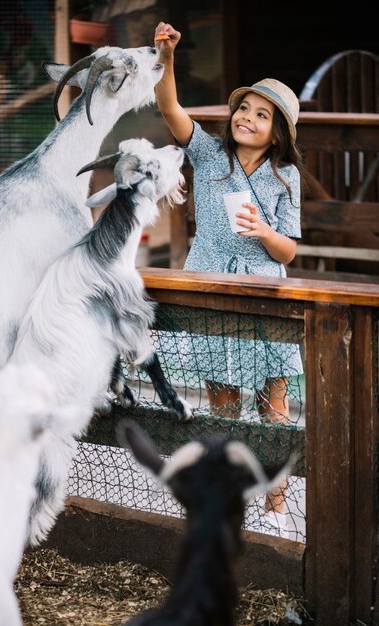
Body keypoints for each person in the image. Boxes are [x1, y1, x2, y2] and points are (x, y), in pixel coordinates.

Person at [153, 22, 305, 539]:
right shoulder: (208, 155)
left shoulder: (286, 177)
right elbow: (171, 111)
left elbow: (289, 248)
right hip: (211, 279)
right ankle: (227, 503)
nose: (247, 118)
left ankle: (278, 506)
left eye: (262, 115)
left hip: (265, 289)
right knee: (221, 400)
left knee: (275, 401)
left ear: (278, 132)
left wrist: (264, 230)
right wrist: (167, 58)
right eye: (244, 109)